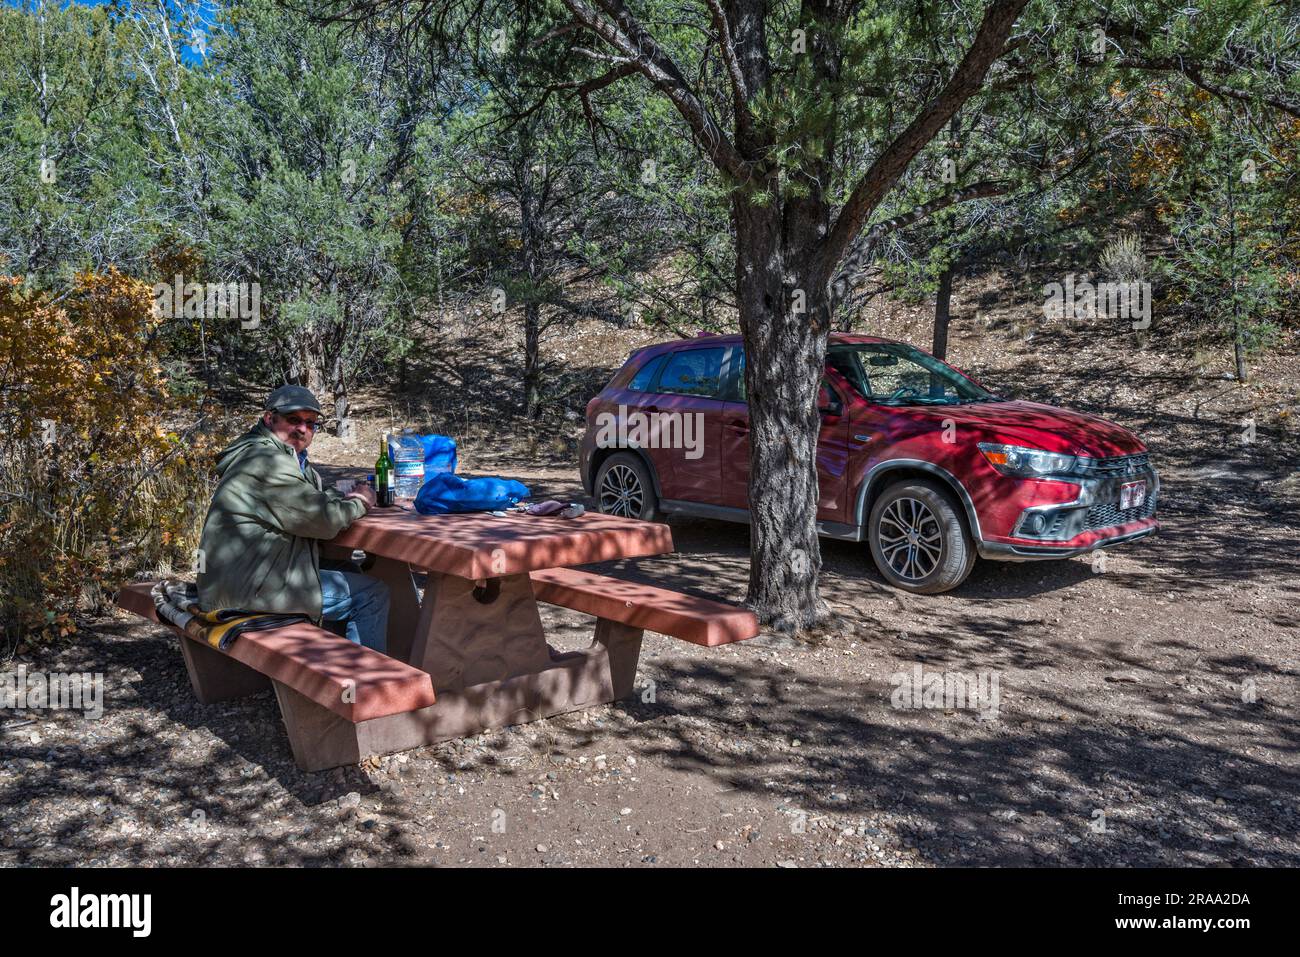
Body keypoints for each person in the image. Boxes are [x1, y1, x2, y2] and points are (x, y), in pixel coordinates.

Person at [195, 385, 390, 652]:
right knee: (372, 594)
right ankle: (366, 684)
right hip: (247, 589)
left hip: (242, 576)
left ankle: (329, 661)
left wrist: (341, 498)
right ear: (269, 418)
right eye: (293, 419)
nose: (302, 429)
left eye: (310, 423)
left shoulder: (282, 455)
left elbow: (312, 496)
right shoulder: (264, 461)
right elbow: (323, 521)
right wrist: (360, 502)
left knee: (349, 570)